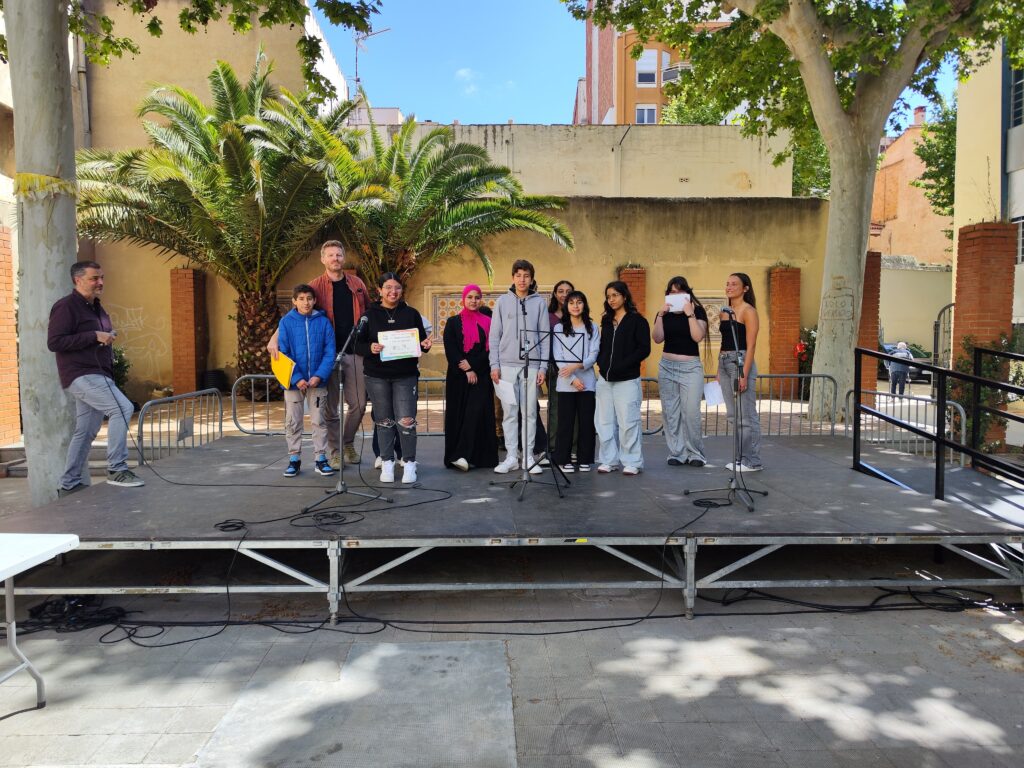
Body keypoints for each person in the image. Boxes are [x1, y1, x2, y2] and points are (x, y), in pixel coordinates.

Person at [268, 240, 369, 468]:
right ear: (323, 259)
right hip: (327, 357)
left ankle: (347, 442)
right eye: (330, 255)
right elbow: (295, 316)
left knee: (359, 404)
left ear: (343, 257)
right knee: (330, 410)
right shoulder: (315, 286)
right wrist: (274, 337)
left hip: (354, 351)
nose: (335, 258)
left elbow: (369, 313)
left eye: (339, 254)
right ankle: (335, 451)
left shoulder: (357, 284)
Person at [48, 261, 144, 495]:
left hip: (100, 375)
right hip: (81, 374)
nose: (100, 282)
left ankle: (69, 484)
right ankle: (117, 469)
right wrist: (94, 335)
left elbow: (96, 338)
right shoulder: (66, 306)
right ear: (77, 280)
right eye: (94, 278)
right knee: (122, 408)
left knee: (86, 431)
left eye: (101, 277)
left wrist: (106, 336)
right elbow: (55, 342)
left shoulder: (97, 308)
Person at [355, 272, 431, 484]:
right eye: (388, 287)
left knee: (406, 421)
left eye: (397, 287)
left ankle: (409, 463)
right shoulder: (368, 316)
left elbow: (421, 342)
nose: (393, 291)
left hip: (405, 376)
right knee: (384, 421)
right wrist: (369, 347)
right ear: (379, 290)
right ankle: (387, 462)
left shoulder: (411, 314)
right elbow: (356, 344)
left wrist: (425, 345)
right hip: (376, 376)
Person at [489, 259, 550, 475]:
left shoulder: (539, 303)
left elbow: (544, 337)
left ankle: (528, 456)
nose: (522, 280)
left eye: (526, 276)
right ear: (513, 277)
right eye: (518, 275)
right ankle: (511, 457)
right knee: (509, 413)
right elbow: (494, 336)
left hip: (531, 366)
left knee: (530, 413)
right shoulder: (502, 302)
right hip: (506, 366)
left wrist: (543, 367)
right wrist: (494, 365)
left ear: (531, 279)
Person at [277, 284, 336, 478]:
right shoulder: (286, 322)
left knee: (319, 420)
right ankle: (294, 459)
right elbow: (283, 352)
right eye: (301, 299)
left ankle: (321, 459)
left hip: (317, 382)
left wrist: (319, 375)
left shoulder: (324, 322)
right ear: (294, 301)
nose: (306, 302)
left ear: (315, 300)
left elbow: (329, 352)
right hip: (294, 383)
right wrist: (297, 378)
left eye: (309, 298)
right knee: (293, 421)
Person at [595, 281, 651, 475]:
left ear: (624, 296)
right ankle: (608, 460)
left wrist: (623, 365)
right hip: (605, 380)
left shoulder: (638, 321)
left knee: (628, 422)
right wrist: (602, 363)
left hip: (627, 379)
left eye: (615, 295)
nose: (611, 299)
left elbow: (644, 349)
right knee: (604, 422)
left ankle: (632, 461)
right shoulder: (606, 321)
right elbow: (603, 346)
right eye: (608, 296)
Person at [653, 276, 709, 467]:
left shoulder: (697, 310)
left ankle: (695, 453)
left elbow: (698, 336)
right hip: (667, 366)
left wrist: (689, 314)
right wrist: (660, 315)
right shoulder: (664, 312)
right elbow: (657, 338)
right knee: (671, 412)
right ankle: (677, 452)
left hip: (690, 368)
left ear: (687, 293)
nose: (675, 294)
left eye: (679, 291)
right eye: (672, 292)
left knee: (691, 412)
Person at [443, 285, 498, 471]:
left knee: (475, 414)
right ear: (463, 299)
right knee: (458, 414)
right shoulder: (453, 322)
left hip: (481, 375)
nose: (473, 301)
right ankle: (457, 455)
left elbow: (491, 349)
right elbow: (451, 348)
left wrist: (473, 365)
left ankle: (470, 456)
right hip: (458, 376)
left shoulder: (489, 322)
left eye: (477, 297)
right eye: (470, 297)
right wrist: (466, 369)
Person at [718, 272, 763, 472]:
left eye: (734, 284)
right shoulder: (724, 311)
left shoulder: (748, 311)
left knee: (746, 415)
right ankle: (739, 458)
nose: (729, 287)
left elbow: (751, 345)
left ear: (745, 288)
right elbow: (724, 341)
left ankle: (751, 461)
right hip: (724, 362)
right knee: (733, 415)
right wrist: (718, 369)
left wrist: (743, 373)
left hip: (740, 361)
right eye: (727, 283)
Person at [551, 290, 600, 472]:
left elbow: (594, 354)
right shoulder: (559, 328)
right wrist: (572, 379)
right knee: (565, 423)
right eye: (571, 303)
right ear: (566, 306)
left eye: (579, 302)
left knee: (586, 423)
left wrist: (578, 366)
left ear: (584, 305)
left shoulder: (592, 327)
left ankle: (585, 458)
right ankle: (563, 459)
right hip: (566, 383)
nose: (575, 306)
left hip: (587, 382)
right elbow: (558, 356)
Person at [546, 280, 574, 459]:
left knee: (573, 409)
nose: (564, 294)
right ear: (555, 294)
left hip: (575, 368)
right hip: (553, 368)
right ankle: (553, 446)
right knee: (555, 408)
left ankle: (573, 447)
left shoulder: (577, 314)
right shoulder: (547, 316)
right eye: (560, 291)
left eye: (568, 291)